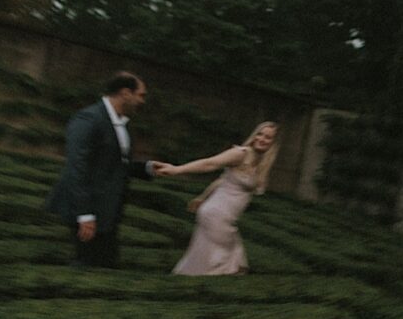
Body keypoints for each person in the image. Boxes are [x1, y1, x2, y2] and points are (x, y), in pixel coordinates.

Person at [45, 71, 161, 268]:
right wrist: (85, 214)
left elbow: (114, 164)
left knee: (105, 263)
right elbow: (76, 167)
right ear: (125, 93)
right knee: (88, 265)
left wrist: (148, 168)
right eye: (141, 95)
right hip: (88, 209)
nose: (143, 101)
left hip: (108, 209)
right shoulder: (89, 119)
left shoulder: (121, 123)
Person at [156, 122, 279, 275]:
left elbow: (222, 180)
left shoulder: (260, 164)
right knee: (225, 266)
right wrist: (176, 170)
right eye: (259, 134)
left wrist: (202, 197)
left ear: (273, 143)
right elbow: (210, 163)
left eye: (267, 137)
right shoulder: (240, 154)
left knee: (205, 262)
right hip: (217, 216)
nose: (261, 139)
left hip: (221, 216)